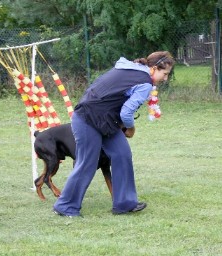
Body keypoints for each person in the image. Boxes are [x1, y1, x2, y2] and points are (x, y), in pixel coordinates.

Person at [53, 51, 175, 216]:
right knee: (87, 162)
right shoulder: (144, 83)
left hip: (106, 121)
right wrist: (130, 128)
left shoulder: (131, 68)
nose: (165, 78)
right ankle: (65, 205)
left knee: (122, 154)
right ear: (153, 68)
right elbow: (126, 113)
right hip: (87, 119)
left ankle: (124, 203)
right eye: (165, 73)